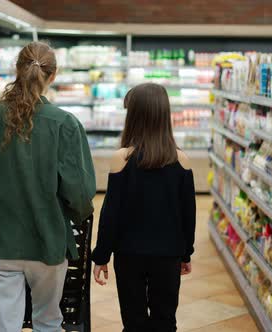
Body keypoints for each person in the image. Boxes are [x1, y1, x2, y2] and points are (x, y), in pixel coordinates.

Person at [0, 41, 96, 332]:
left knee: (4, 325)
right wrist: (73, 215)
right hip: (48, 240)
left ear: (17, 71)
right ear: (53, 76)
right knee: (48, 321)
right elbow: (81, 194)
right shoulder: (65, 124)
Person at [91, 83, 197, 332]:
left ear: (134, 116)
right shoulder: (182, 160)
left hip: (129, 255)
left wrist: (102, 256)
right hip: (168, 254)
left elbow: (111, 215)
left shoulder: (122, 159)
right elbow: (188, 215)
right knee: (165, 320)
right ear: (164, 114)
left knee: (133, 320)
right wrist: (186, 253)